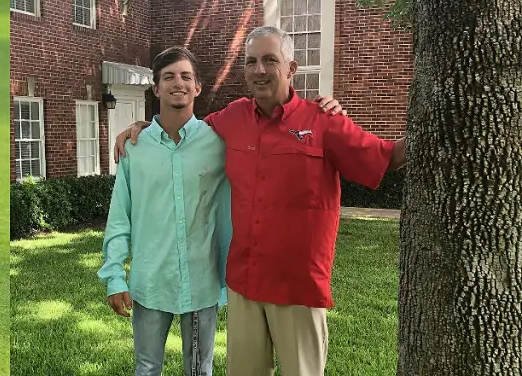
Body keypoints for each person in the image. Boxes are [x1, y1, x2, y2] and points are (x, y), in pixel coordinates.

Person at [115, 27, 406, 376]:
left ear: (292, 67)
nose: (260, 70)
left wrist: (439, 123)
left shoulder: (323, 121)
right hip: (245, 285)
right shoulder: (231, 118)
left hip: (298, 285)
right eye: (251, 62)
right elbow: (184, 133)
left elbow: (384, 157)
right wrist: (145, 128)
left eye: (270, 60)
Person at [98, 47, 230, 376]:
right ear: (155, 88)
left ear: (198, 87)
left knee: (199, 369)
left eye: (186, 76)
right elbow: (119, 218)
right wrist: (114, 276)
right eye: (168, 77)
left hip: (202, 282)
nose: (178, 83)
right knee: (146, 368)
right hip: (151, 282)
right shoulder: (134, 147)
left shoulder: (220, 143)